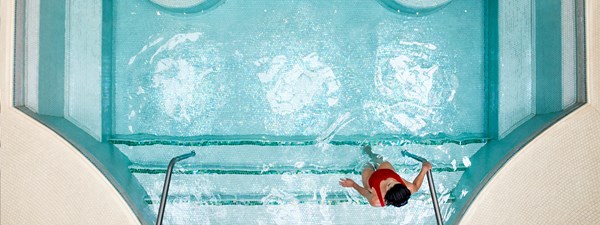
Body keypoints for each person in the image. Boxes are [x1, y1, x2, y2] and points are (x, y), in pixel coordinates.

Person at [339, 145, 432, 207]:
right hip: (386, 170)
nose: (389, 181)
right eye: (396, 182)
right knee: (375, 156)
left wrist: (353, 185)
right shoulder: (409, 188)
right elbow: (416, 185)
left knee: (365, 163)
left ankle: (364, 153)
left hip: (371, 180)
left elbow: (366, 193)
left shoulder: (376, 201)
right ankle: (368, 149)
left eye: (388, 185)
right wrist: (424, 169)